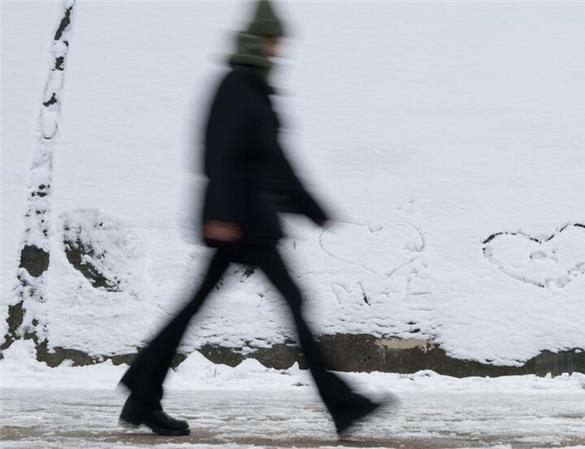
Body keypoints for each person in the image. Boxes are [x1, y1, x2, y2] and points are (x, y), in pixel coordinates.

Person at [118, 0, 391, 438]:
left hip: (252, 222)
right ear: (260, 39)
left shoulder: (256, 88)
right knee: (290, 306)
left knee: (197, 307)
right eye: (275, 39)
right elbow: (219, 154)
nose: (280, 48)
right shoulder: (237, 85)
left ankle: (143, 395)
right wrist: (223, 216)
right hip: (240, 224)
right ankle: (344, 406)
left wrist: (310, 207)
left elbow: (275, 161)